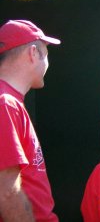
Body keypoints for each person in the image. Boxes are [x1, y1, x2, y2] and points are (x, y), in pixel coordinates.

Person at [0, 19, 60, 222]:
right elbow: (7, 192)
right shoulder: (5, 103)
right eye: (47, 54)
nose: (48, 64)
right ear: (33, 53)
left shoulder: (9, 100)